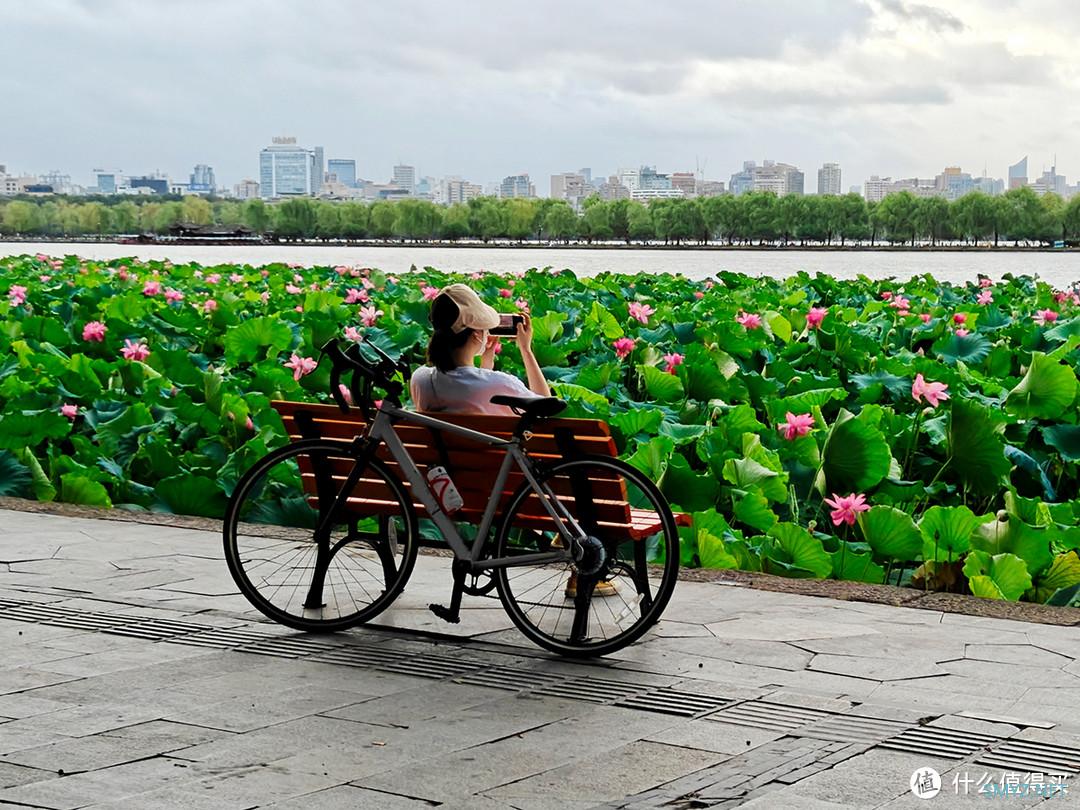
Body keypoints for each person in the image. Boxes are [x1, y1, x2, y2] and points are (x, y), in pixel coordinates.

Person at [410, 283, 616, 598]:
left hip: (452, 489)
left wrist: (484, 365)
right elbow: (545, 405)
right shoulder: (500, 383)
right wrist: (526, 350)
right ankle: (584, 573)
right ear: (478, 334)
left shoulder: (422, 380)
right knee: (582, 480)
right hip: (509, 494)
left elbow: (466, 396)